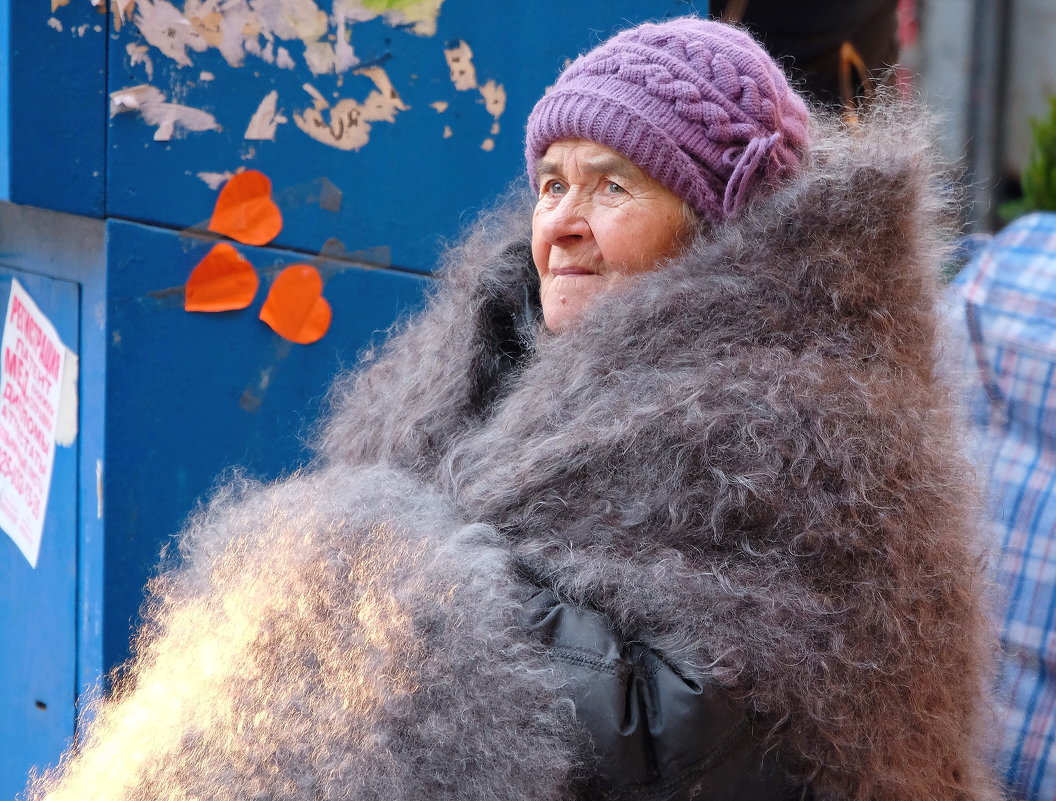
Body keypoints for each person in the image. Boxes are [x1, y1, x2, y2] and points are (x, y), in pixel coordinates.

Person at [29, 17, 1000, 801]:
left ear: (719, 232)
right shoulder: (490, 358)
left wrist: (419, 570)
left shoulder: (813, 420)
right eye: (550, 186)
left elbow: (717, 728)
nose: (562, 225)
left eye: (613, 187)